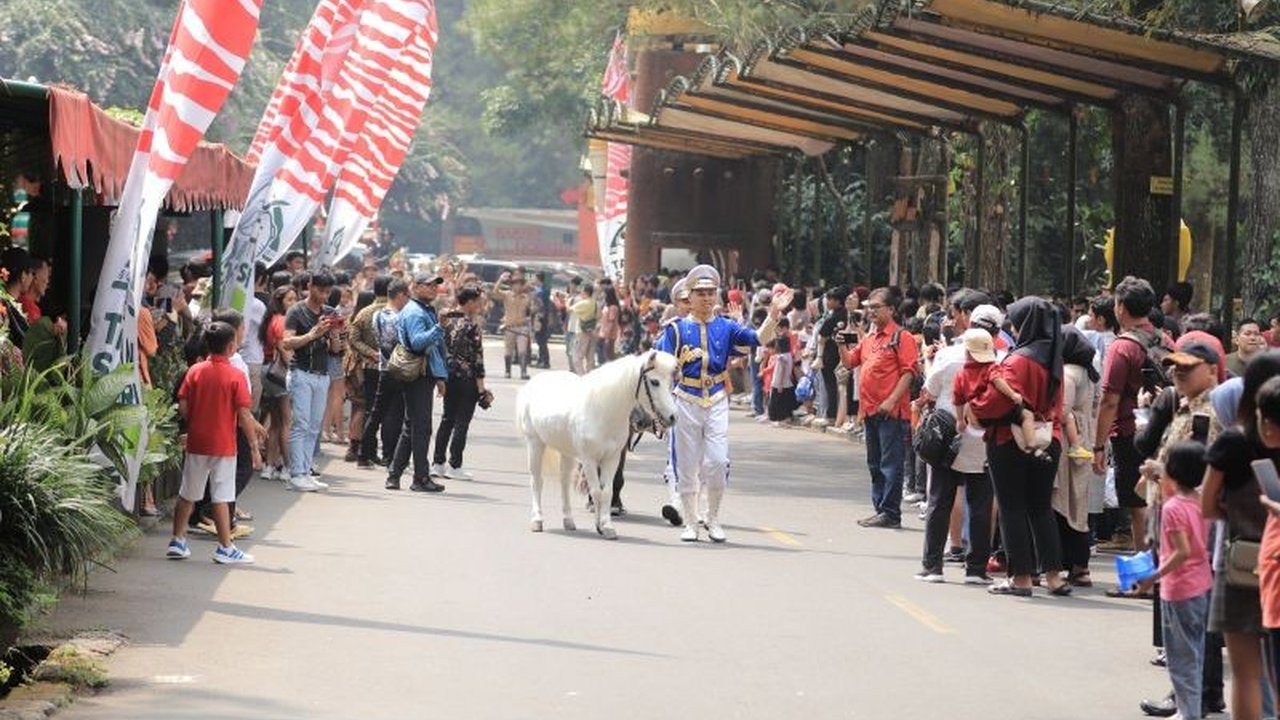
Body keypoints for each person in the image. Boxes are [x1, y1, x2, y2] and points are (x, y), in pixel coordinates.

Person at [656, 264, 791, 542]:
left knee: (717, 461)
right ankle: (691, 524)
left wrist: (774, 314)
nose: (706, 298)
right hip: (685, 399)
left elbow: (756, 339)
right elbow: (660, 366)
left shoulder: (727, 327)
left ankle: (713, 518)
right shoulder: (675, 330)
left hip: (716, 398)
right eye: (700, 293)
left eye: (711, 292)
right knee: (687, 464)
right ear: (689, 297)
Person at [970, 297, 1072, 597]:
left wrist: (975, 400)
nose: (1011, 326)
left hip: (1008, 441)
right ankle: (1054, 575)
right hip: (1047, 440)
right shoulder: (1054, 360)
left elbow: (995, 403)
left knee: (1012, 508)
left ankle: (1022, 578)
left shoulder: (1018, 360)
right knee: (1041, 508)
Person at [1203, 351, 1280, 720]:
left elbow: (1207, 506)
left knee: (1246, 675)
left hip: (1241, 563)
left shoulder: (1233, 442)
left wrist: (1238, 520)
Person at [167, 321, 262, 565]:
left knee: (188, 492)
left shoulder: (195, 371)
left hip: (197, 441)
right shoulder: (236, 375)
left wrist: (195, 424)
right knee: (222, 495)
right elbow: (243, 414)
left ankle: (178, 540)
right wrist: (253, 446)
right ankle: (225, 547)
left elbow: (184, 405)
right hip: (223, 444)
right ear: (231, 347)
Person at [917, 302, 997, 584]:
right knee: (981, 504)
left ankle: (933, 566)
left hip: (947, 437)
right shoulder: (1000, 361)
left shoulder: (949, 356)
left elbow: (930, 390)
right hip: (985, 441)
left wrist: (927, 360)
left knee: (940, 499)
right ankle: (976, 568)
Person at [1095, 276, 1169, 552]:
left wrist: (1098, 445)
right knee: (1158, 497)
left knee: (1138, 503)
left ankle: (1144, 574)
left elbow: (1109, 401)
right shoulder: (1164, 339)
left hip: (1130, 433)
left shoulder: (1122, 346)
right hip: (1164, 431)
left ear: (1121, 307)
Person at [840, 288, 920, 530]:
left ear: (891, 309)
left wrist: (892, 400)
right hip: (870, 411)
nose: (871, 311)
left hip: (891, 413)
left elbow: (909, 372)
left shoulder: (901, 337)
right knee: (874, 463)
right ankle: (881, 509)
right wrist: (841, 344)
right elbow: (849, 362)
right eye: (869, 308)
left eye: (876, 307)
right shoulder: (869, 338)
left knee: (891, 463)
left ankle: (890, 512)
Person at [1148, 441, 1214, 720]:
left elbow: (1181, 552)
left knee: (1179, 657)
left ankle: (1188, 712)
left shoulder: (1173, 508)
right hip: (1202, 584)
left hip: (1178, 588)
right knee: (1195, 653)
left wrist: (1152, 576)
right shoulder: (1203, 503)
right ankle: (1192, 708)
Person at [385, 272, 448, 492]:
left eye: (435, 286)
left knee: (412, 426)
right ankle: (420, 478)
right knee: (421, 428)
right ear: (416, 287)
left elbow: (436, 350)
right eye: (429, 285)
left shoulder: (424, 310)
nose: (433, 289)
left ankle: (394, 475)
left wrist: (440, 377)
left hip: (424, 373)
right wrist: (439, 326)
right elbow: (418, 342)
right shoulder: (414, 312)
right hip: (417, 375)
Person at [280, 271, 340, 492]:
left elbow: (336, 350)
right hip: (300, 372)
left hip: (322, 374)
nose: (324, 296)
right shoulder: (296, 311)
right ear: (310, 286)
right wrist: (313, 334)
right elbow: (286, 342)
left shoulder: (330, 312)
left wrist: (334, 333)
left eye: (328, 292)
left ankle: (305, 471)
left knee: (314, 427)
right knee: (301, 424)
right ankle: (296, 473)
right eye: (321, 290)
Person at [432, 284, 487, 480]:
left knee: (447, 420)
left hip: (447, 377)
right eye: (478, 301)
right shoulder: (472, 326)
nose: (480, 304)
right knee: (462, 422)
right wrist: (482, 389)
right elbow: (478, 360)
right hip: (466, 379)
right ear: (470, 302)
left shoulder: (445, 322)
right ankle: (455, 465)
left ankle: (437, 463)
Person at [358, 279, 409, 469]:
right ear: (400, 295)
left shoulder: (377, 315)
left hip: (383, 367)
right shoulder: (398, 318)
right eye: (407, 296)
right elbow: (402, 343)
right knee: (394, 415)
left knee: (376, 413)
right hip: (397, 369)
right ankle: (389, 455)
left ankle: (364, 452)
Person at [347, 278, 392, 462]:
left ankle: (366, 451)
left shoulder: (364, 313)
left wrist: (370, 353)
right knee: (388, 411)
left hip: (369, 367)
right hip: (391, 368)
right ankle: (381, 453)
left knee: (370, 410)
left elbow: (353, 338)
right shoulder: (396, 312)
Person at [492, 270, 534, 379]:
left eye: (520, 284)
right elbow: (495, 292)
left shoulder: (526, 297)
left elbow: (534, 308)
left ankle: (523, 372)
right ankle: (507, 371)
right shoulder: (507, 295)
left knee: (522, 351)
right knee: (508, 351)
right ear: (512, 285)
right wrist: (501, 280)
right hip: (510, 327)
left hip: (522, 327)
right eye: (516, 284)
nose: (518, 287)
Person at [570, 282, 599, 374]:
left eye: (582, 291)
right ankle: (589, 375)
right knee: (590, 357)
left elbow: (569, 309)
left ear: (586, 292)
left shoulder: (583, 303)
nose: (580, 293)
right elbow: (599, 315)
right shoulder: (595, 303)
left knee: (577, 357)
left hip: (581, 332)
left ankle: (582, 376)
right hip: (592, 331)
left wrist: (568, 301)